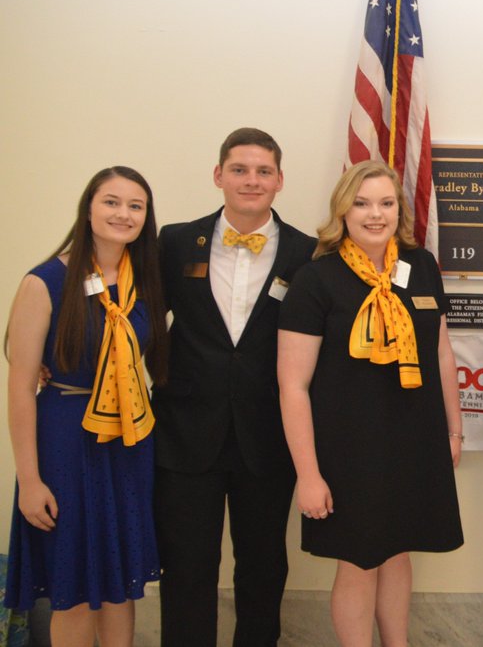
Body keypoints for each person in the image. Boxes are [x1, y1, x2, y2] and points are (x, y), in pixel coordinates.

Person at [278, 160, 463, 647]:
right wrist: (308, 474)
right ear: (342, 211)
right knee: (359, 561)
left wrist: (453, 431)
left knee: (399, 553)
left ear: (399, 210)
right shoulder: (316, 278)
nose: (375, 214)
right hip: (347, 450)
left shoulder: (422, 266)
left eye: (385, 203)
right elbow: (293, 385)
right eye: (361, 204)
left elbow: (442, 353)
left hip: (414, 440)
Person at [153, 128, 316, 647]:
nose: (252, 180)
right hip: (184, 434)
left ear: (280, 180)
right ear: (218, 175)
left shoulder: (308, 253)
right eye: (240, 169)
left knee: (263, 568)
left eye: (263, 171)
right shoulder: (175, 241)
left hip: (267, 436)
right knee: (186, 566)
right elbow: (138, 320)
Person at [5, 166, 167, 647]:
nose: (123, 214)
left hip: (127, 442)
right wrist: (30, 481)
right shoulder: (46, 281)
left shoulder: (145, 281)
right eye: (111, 202)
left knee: (121, 587)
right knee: (73, 588)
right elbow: (20, 387)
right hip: (66, 443)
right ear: (89, 208)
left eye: (135, 206)